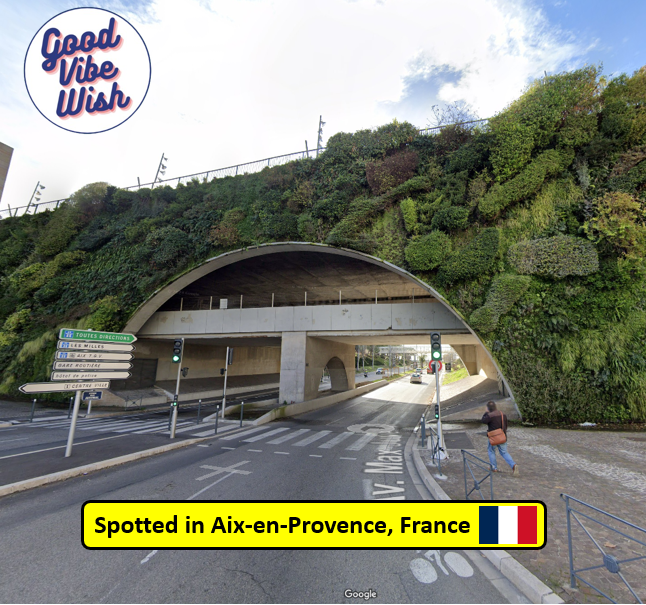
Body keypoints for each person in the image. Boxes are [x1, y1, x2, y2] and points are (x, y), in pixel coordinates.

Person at [481, 401, 518, 476]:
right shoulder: (502, 414)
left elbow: (483, 421)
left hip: (493, 437)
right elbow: (506, 425)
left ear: (488, 408)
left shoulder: (489, 416)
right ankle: (513, 465)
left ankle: (494, 467)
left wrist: (486, 412)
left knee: (491, 451)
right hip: (502, 436)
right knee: (504, 452)